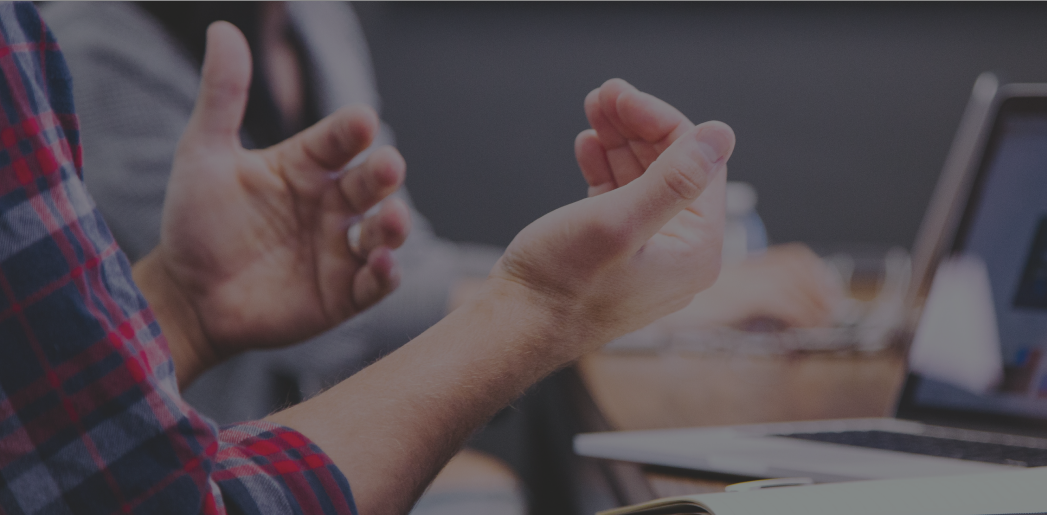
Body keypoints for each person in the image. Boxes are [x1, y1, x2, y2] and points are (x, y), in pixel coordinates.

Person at [1, 2, 736, 513]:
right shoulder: (79, 45)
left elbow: (399, 255)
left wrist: (184, 307)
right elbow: (166, 501)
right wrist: (545, 305)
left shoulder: (317, 21)